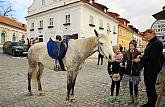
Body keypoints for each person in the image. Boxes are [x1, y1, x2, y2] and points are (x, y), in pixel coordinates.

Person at [134, 29, 163, 107]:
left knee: (151, 86)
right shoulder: (150, 43)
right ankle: (149, 102)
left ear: (153, 33)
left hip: (153, 68)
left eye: (146, 35)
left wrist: (141, 58)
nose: (145, 36)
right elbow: (147, 55)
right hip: (148, 67)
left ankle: (152, 104)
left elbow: (153, 56)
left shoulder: (158, 43)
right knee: (148, 86)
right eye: (144, 35)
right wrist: (141, 56)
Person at [124, 40, 141, 104]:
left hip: (135, 71)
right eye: (130, 46)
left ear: (135, 46)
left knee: (135, 85)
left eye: (132, 46)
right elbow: (124, 59)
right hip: (129, 71)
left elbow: (140, 61)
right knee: (130, 85)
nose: (131, 47)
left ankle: (136, 97)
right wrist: (122, 61)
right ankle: (131, 98)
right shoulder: (127, 52)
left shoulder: (137, 52)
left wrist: (138, 60)